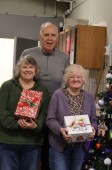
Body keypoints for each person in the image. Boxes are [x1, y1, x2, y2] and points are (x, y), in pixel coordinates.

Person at [21, 21, 70, 170]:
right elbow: (20, 76)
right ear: (40, 36)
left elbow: (66, 83)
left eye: (53, 35)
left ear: (57, 38)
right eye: (46, 34)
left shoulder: (64, 57)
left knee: (51, 145)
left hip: (54, 107)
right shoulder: (28, 53)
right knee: (32, 145)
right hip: (32, 105)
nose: (50, 38)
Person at [0, 55, 50, 170]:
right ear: (18, 69)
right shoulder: (7, 86)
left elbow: (44, 114)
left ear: (35, 70)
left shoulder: (43, 90)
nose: (28, 70)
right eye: (24, 67)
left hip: (31, 143)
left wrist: (36, 126)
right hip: (8, 141)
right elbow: (1, 111)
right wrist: (17, 123)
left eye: (31, 67)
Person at [46, 64, 97, 170]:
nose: (75, 79)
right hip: (59, 146)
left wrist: (93, 129)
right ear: (67, 80)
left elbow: (93, 120)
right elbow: (50, 119)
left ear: (83, 79)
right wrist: (61, 130)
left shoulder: (89, 97)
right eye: (72, 77)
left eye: (78, 77)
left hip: (79, 147)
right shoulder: (58, 95)